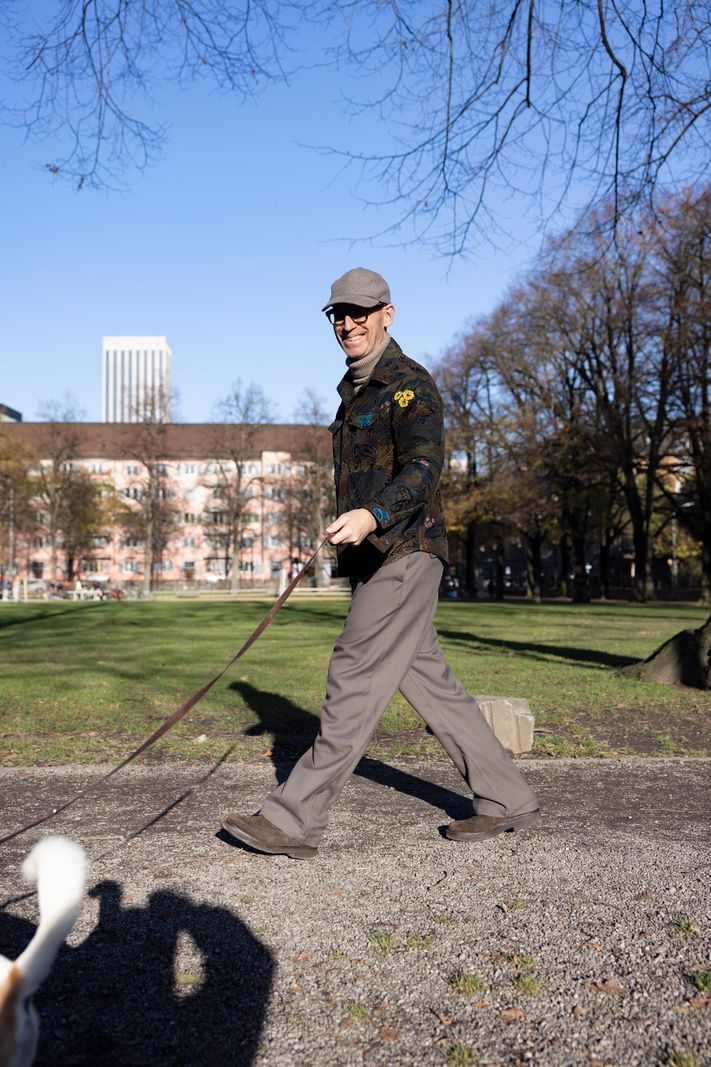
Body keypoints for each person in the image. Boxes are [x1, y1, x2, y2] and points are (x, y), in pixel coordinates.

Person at [222, 268, 539, 859]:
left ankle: (294, 819)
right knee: (429, 680)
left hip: (405, 549)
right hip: (374, 556)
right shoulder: (355, 391)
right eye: (338, 314)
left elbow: (423, 470)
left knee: (355, 670)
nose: (347, 324)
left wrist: (372, 515)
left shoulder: (410, 385)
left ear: (387, 314)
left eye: (359, 312)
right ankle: (507, 795)